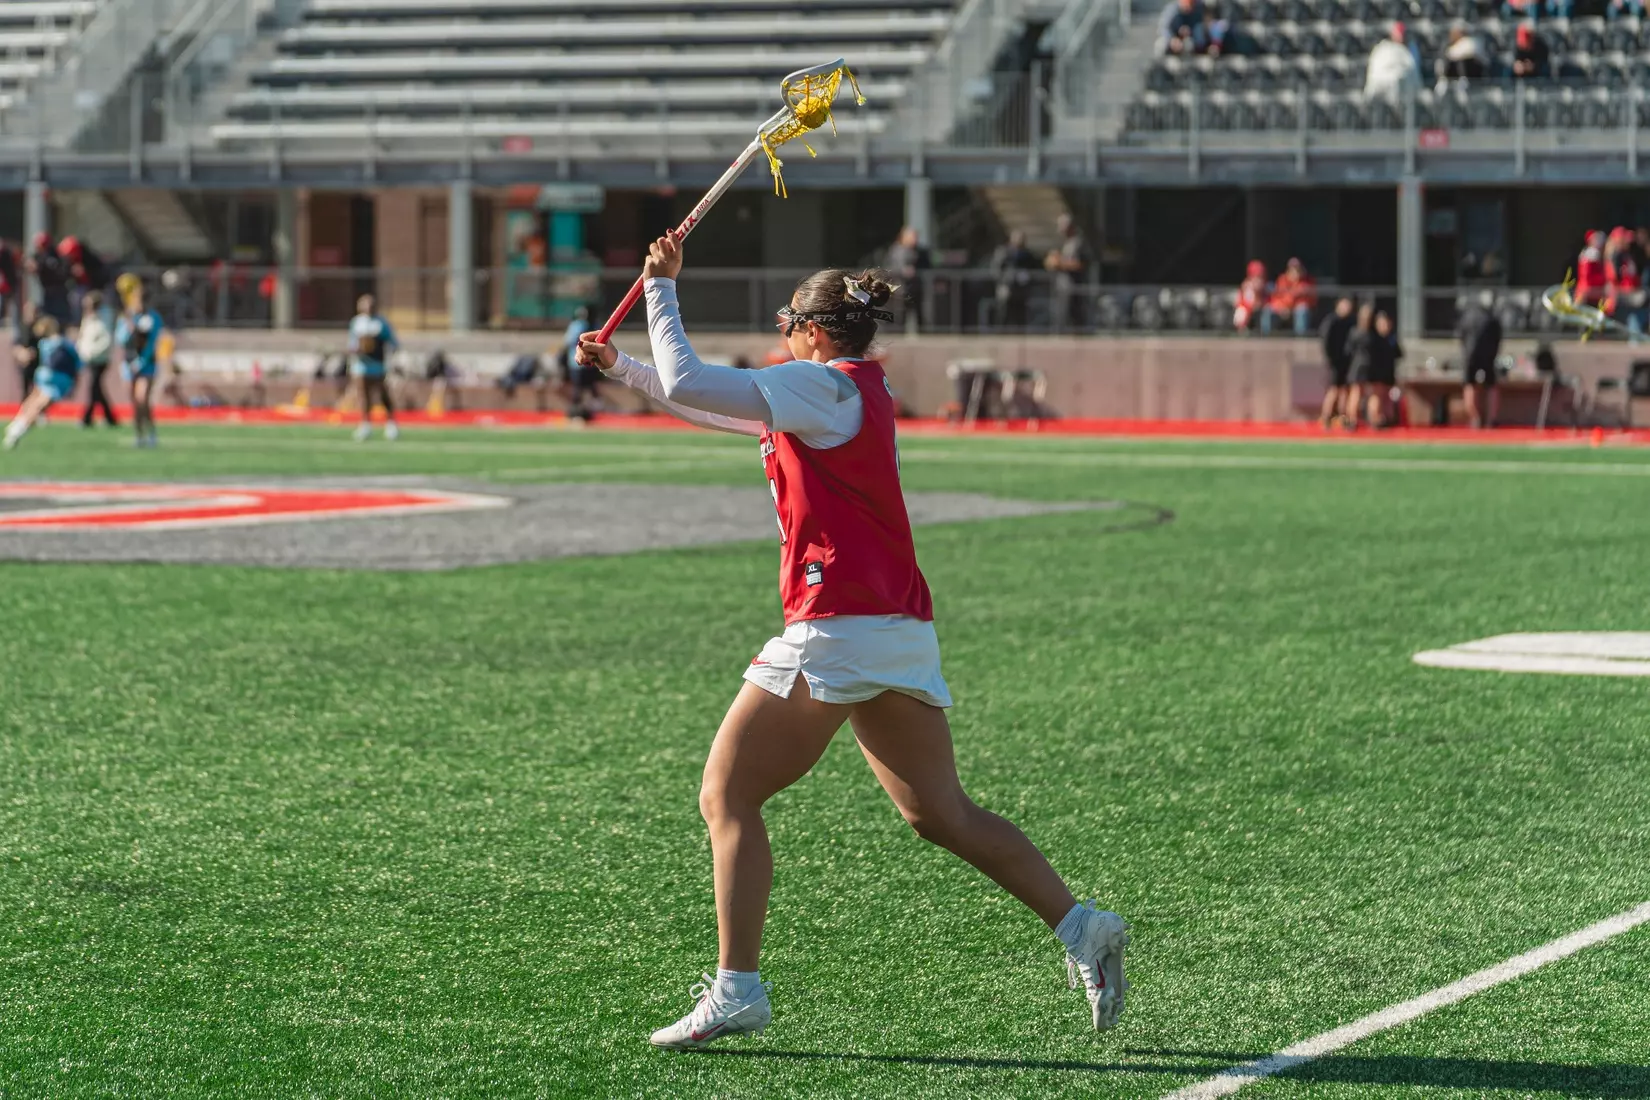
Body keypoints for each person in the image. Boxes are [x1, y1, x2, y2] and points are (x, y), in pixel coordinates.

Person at [576, 232, 1129, 1050]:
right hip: (894, 629)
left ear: (816, 331)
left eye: (787, 321)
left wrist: (663, 288)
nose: (781, 333)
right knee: (940, 814)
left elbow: (695, 377)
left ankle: (738, 988)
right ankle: (1083, 926)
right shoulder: (847, 392)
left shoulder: (820, 388)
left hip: (837, 625)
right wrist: (624, 370)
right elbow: (706, 400)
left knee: (727, 795)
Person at [3, 315, 81, 450]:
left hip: (47, 377)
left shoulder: (47, 343)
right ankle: (17, 429)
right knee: (37, 405)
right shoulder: (62, 344)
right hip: (56, 379)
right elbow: (77, 363)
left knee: (33, 402)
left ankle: (17, 425)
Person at [115, 273, 164, 448]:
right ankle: (139, 436)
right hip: (128, 365)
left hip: (146, 364)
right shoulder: (126, 318)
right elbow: (119, 340)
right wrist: (129, 328)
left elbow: (151, 343)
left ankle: (151, 432)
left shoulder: (153, 318)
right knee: (134, 403)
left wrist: (140, 363)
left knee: (142, 398)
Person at [347, 293, 400, 442]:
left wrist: (388, 356)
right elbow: (352, 343)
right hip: (361, 365)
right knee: (363, 395)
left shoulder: (381, 323)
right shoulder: (356, 323)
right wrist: (356, 350)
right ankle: (365, 425)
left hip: (377, 365)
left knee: (383, 395)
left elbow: (393, 342)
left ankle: (391, 424)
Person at [1346, 309, 1402, 429]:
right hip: (1368, 368)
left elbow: (1348, 350)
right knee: (1371, 393)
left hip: (1359, 367)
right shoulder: (1371, 336)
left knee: (1359, 393)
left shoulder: (1356, 332)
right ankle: (1372, 418)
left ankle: (1354, 419)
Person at [1457, 293, 1502, 430]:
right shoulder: (1492, 319)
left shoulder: (1466, 318)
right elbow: (1497, 339)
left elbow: (1461, 336)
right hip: (1488, 356)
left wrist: (1466, 352)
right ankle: (1491, 419)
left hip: (1470, 356)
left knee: (1469, 385)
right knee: (1491, 386)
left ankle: (1474, 417)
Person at [76, 290, 118, 428]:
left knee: (94, 386)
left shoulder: (105, 317)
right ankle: (110, 417)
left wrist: (91, 353)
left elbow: (106, 339)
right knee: (97, 388)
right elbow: (83, 336)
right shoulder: (88, 318)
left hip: (100, 358)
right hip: (89, 358)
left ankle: (87, 417)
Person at [1045, 214, 1093, 333]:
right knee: (1061, 317)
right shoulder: (1066, 243)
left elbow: (1081, 264)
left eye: (1061, 226)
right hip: (1062, 286)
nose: (1059, 229)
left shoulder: (1079, 243)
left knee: (1074, 319)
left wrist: (1060, 263)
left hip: (1074, 287)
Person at [1318, 297, 1357, 429]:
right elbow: (1326, 342)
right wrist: (1331, 359)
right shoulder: (1331, 322)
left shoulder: (1351, 322)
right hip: (1334, 362)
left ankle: (1343, 418)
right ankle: (1326, 417)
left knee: (1345, 391)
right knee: (1334, 390)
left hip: (1347, 362)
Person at [990, 230, 1037, 330]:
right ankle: (1000, 333)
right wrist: (1002, 282)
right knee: (1004, 313)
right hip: (1007, 287)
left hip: (1021, 289)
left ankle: (1020, 336)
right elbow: (996, 269)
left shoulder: (1027, 254)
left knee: (1020, 314)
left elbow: (1033, 268)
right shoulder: (1003, 252)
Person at [885, 227, 929, 333]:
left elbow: (927, 266)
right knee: (899, 315)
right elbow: (890, 267)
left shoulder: (920, 252)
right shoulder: (895, 251)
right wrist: (902, 271)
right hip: (900, 288)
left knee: (919, 313)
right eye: (912, 237)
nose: (914, 239)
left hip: (916, 287)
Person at [1365, 21, 1420, 103]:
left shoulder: (1409, 48)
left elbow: (1411, 68)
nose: (1400, 37)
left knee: (1396, 79)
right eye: (1398, 33)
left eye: (1402, 34)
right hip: (1379, 79)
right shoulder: (1382, 47)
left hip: (1399, 84)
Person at [30, 231, 73, 330]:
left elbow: (64, 272)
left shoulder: (55, 255)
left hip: (58, 290)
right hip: (45, 290)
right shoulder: (37, 256)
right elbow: (32, 265)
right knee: (44, 315)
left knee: (60, 317)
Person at [1265, 258, 1317, 335]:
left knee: (1302, 310)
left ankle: (1300, 339)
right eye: (1293, 269)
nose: (1295, 271)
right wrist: (1283, 307)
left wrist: (1292, 305)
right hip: (1283, 309)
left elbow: (1311, 301)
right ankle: (1266, 337)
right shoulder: (1282, 279)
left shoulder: (1308, 281)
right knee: (1268, 309)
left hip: (1297, 310)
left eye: (1298, 269)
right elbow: (1275, 298)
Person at [1436, 24, 1488, 93]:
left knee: (1461, 61)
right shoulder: (1447, 45)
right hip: (1451, 77)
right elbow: (1449, 55)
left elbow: (1455, 53)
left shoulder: (1470, 42)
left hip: (1474, 76)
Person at [11, 300, 40, 405]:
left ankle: (37, 411)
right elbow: (15, 344)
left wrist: (34, 353)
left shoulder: (39, 327)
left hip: (37, 363)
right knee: (25, 388)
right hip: (24, 363)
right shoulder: (21, 327)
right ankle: (24, 409)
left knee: (37, 388)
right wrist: (22, 353)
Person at [1233, 260, 1269, 331]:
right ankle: (1242, 331)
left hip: (1261, 308)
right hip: (1247, 308)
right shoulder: (1246, 285)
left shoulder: (1265, 286)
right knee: (1241, 311)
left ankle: (1265, 332)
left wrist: (1259, 293)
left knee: (1267, 312)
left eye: (1259, 275)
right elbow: (1241, 301)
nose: (1257, 278)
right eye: (1255, 275)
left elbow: (1266, 300)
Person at [1576, 230, 1608, 307]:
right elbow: (1589, 278)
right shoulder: (1593, 254)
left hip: (1588, 293)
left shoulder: (1587, 253)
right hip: (1590, 294)